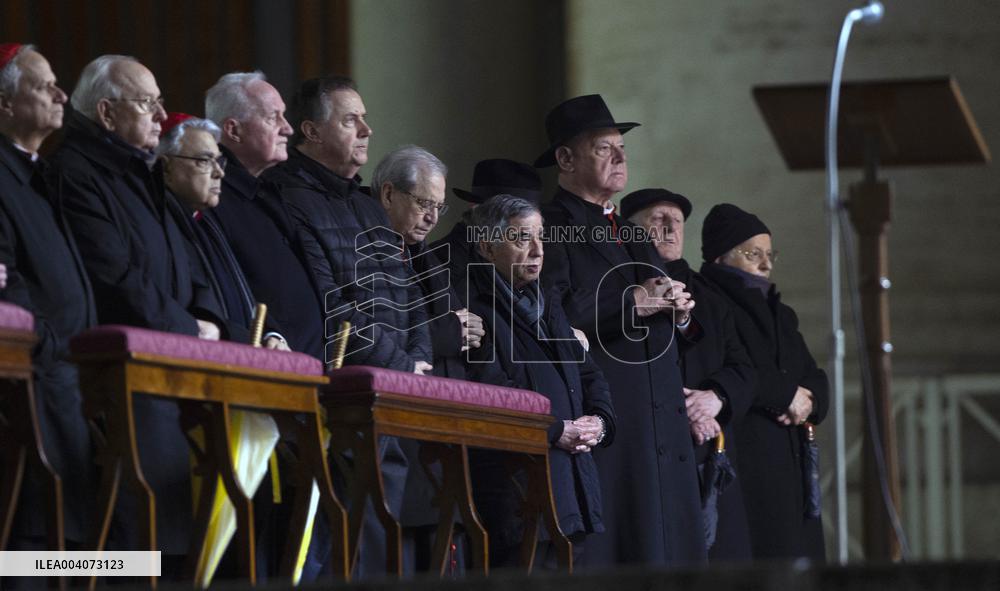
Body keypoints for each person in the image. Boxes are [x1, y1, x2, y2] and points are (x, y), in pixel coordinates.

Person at [47, 54, 220, 561]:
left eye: (160, 102)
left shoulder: (141, 172)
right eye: (147, 103)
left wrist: (210, 322)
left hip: (172, 372)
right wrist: (189, 327)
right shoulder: (77, 172)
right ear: (106, 113)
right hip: (130, 382)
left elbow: (187, 265)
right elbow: (114, 279)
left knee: (176, 547)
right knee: (138, 548)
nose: (161, 115)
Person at [268, 75, 431, 579]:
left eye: (364, 118)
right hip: (342, 399)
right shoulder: (286, 196)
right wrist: (402, 366)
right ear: (311, 131)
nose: (366, 129)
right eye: (350, 120)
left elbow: (410, 293)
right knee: (336, 551)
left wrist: (419, 360)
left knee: (379, 547)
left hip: (391, 392)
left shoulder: (365, 205)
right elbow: (330, 305)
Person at [536, 94, 706, 567]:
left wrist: (680, 311)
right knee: (624, 552)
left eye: (621, 148)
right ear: (565, 159)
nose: (619, 157)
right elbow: (554, 311)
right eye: (603, 148)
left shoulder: (631, 232)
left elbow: (671, 315)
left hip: (662, 421)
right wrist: (634, 302)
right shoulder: (551, 227)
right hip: (615, 416)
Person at [465, 194, 615, 568]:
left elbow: (589, 373)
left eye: (540, 237)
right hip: (517, 492)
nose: (537, 250)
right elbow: (490, 392)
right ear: (487, 247)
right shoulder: (472, 307)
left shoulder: (548, 302)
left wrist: (600, 422)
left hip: (572, 489)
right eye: (521, 238)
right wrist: (554, 430)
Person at [373, 145, 493, 572]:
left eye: (439, 208)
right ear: (389, 194)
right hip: (395, 427)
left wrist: (466, 331)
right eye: (424, 203)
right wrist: (448, 333)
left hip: (440, 429)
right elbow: (374, 325)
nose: (432, 218)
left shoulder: (424, 254)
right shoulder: (368, 246)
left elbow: (460, 324)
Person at [622, 188, 755, 561]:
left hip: (706, 452)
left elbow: (744, 368)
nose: (670, 228)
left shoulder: (712, 299)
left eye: (677, 221)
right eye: (657, 219)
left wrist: (714, 398)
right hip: (643, 452)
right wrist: (683, 408)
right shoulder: (619, 290)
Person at [0, 42, 96, 551]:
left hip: (68, 377)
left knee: (75, 547)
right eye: (44, 86)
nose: (62, 95)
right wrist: (52, 342)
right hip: (33, 376)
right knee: (32, 547)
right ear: (5, 103)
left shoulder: (41, 173)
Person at [698, 203, 829, 561]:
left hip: (791, 459)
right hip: (749, 456)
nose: (766, 265)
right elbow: (738, 369)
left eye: (770, 255)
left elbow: (815, 375)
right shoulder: (710, 303)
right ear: (721, 256)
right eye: (753, 254)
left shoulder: (780, 313)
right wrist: (787, 395)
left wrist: (811, 399)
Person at [205, 71, 324, 360]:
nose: (288, 128)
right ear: (233, 130)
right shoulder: (211, 198)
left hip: (308, 365)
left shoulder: (270, 191)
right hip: (261, 362)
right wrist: (271, 333)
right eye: (273, 117)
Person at [157, 112, 288, 348]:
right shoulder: (164, 224)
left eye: (219, 161)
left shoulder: (206, 222)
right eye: (204, 161)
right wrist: (244, 338)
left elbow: (243, 291)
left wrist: (271, 334)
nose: (219, 172)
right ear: (166, 167)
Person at [432, 158, 543, 299]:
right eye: (522, 236)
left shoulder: (529, 273)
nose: (538, 252)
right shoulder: (443, 262)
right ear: (475, 208)